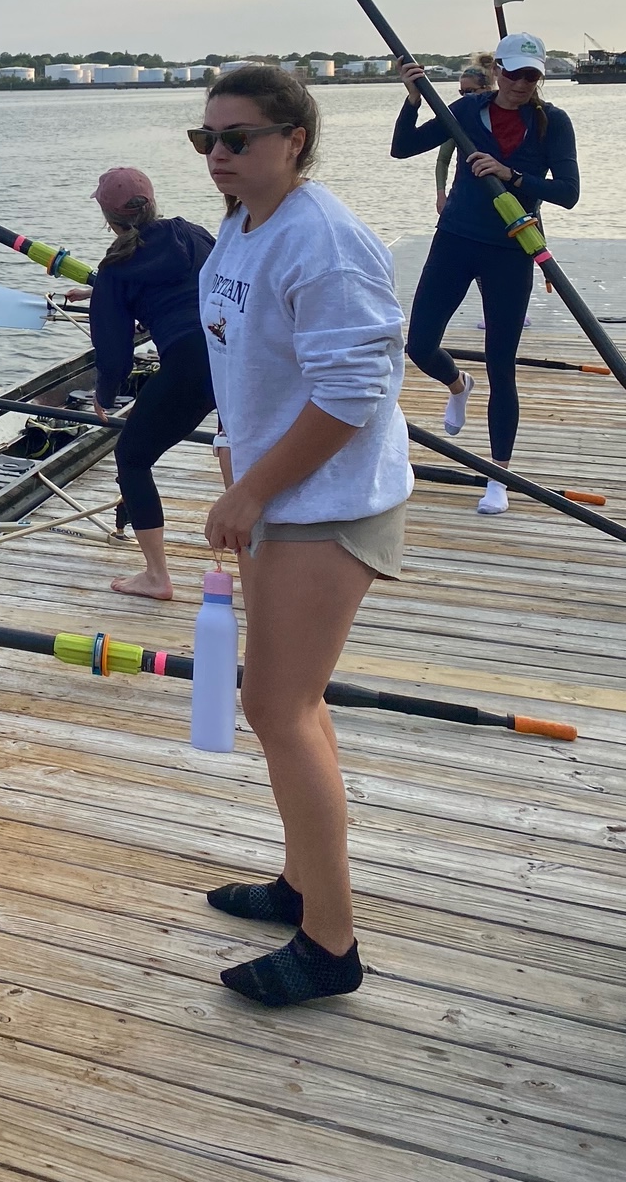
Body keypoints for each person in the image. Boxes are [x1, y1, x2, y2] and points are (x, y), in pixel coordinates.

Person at [194, 66, 411, 1008]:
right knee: (291, 704)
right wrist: (232, 464)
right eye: (205, 141)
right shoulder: (240, 233)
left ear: (296, 138)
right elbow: (236, 360)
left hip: (330, 501)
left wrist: (255, 494)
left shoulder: (324, 242)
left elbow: (354, 393)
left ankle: (331, 945)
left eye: (238, 139)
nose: (220, 157)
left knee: (276, 708)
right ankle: (301, 883)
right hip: (283, 499)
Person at [392, 31, 579, 514]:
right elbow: (403, 148)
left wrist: (513, 175)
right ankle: (458, 386)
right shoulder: (466, 111)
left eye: (531, 75)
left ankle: (499, 476)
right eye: (513, 72)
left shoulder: (551, 123)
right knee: (419, 345)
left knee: (502, 363)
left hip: (511, 248)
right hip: (455, 238)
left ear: (540, 78)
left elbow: (569, 192)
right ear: (497, 69)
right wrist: (412, 100)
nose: (521, 83)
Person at [81, 166, 215, 600]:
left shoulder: (116, 269)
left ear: (108, 219)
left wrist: (105, 393)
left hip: (190, 367)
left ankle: (157, 577)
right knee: (240, 449)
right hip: (238, 356)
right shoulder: (192, 233)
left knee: (132, 457)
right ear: (153, 202)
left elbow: (114, 350)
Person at [433, 58, 495, 213]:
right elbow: (442, 160)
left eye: (470, 91)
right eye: (462, 92)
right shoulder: (458, 118)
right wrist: (441, 195)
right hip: (466, 194)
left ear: (487, 88)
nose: (465, 97)